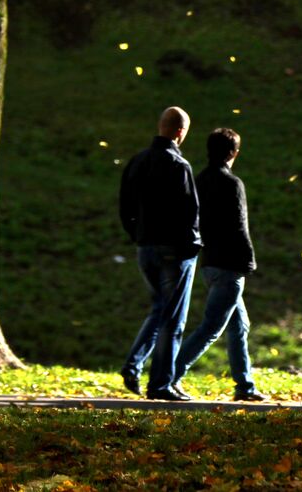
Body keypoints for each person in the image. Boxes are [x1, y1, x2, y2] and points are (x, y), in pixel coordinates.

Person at [171, 127, 265, 401]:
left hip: (210, 263)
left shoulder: (199, 180)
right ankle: (171, 375)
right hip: (230, 266)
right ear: (233, 153)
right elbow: (239, 227)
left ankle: (245, 386)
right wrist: (248, 261)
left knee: (239, 326)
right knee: (211, 327)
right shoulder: (232, 184)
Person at [119, 106, 201, 401]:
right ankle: (160, 384)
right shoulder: (179, 165)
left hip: (145, 246)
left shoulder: (138, 161)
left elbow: (125, 206)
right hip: (174, 251)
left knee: (158, 310)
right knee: (173, 320)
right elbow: (190, 213)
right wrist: (191, 248)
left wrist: (138, 236)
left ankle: (134, 364)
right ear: (181, 131)